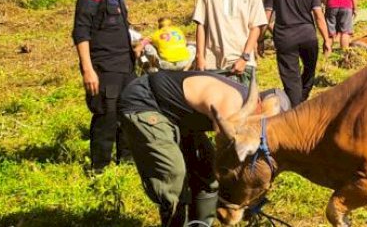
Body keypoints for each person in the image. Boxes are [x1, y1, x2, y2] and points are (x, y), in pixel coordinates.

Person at [118, 70, 290, 227]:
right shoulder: (231, 105)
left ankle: (199, 224)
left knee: (207, 173)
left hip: (180, 116)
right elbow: (230, 161)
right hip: (146, 102)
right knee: (173, 176)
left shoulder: (248, 112)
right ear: (260, 105)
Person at [72, 0, 136, 173]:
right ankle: (99, 167)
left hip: (125, 67)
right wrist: (88, 70)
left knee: (128, 113)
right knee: (106, 117)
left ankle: (126, 160)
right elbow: (81, 33)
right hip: (104, 69)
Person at [264, 0, 332, 106]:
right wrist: (326, 39)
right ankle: (301, 100)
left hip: (285, 38)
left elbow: (266, 17)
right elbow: (319, 18)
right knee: (309, 69)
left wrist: (259, 39)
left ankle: (296, 105)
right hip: (308, 36)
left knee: (291, 75)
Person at [193, 0, 268, 86]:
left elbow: (255, 27)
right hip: (212, 61)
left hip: (242, 62)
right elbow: (200, 25)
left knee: (244, 103)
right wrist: (200, 56)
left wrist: (244, 58)